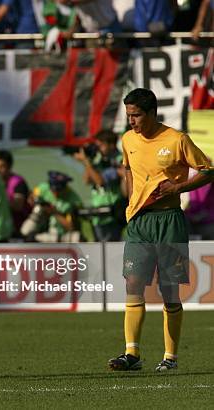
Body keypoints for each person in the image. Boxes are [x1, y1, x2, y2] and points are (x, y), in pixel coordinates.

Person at [108, 88, 213, 372]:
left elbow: (208, 170)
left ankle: (171, 357)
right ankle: (132, 354)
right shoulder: (128, 140)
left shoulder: (177, 139)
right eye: (129, 115)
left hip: (169, 221)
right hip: (139, 223)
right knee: (132, 284)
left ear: (152, 113)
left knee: (169, 291)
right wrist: (131, 199)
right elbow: (129, 170)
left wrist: (178, 187)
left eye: (137, 115)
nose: (132, 121)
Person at [73, 131, 125, 241]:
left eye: (100, 145)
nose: (98, 148)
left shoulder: (119, 160)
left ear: (111, 144)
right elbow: (87, 180)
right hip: (97, 212)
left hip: (112, 213)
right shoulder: (97, 159)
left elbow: (100, 181)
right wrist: (89, 159)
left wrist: (87, 162)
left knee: (110, 249)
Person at [21, 171, 82, 243]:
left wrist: (54, 212)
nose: (55, 193)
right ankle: (29, 233)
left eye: (59, 190)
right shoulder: (42, 188)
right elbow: (31, 197)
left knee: (75, 237)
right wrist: (37, 202)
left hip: (58, 231)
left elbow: (70, 226)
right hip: (41, 221)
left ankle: (36, 238)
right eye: (53, 190)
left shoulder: (73, 200)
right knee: (38, 209)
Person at [0, 149, 31, 240]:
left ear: (9, 167)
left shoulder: (18, 182)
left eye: (1, 167)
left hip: (18, 229)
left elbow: (18, 206)